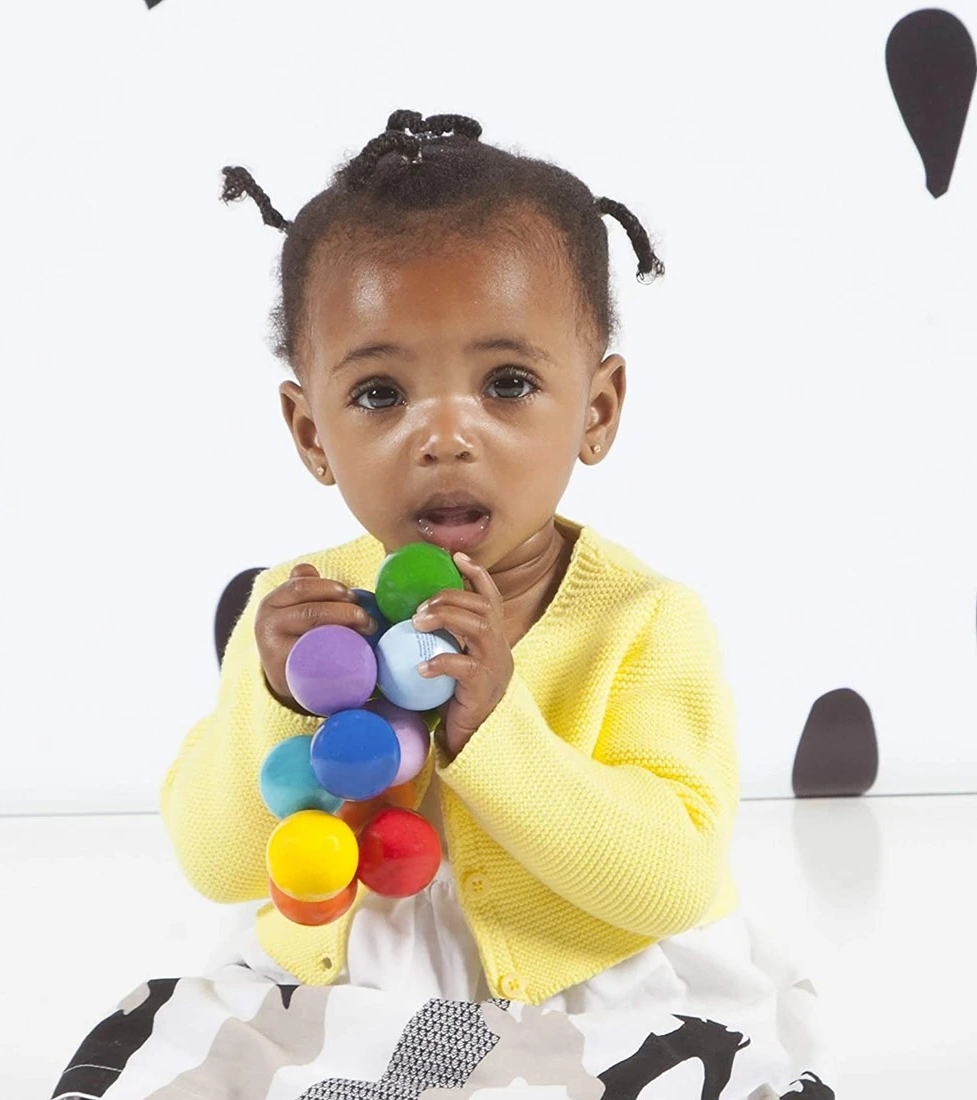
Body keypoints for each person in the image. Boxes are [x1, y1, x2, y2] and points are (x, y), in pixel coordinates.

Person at [52, 109, 834, 1100]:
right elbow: (218, 863)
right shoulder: (293, 611)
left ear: (595, 410)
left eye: (506, 382)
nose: (445, 436)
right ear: (311, 431)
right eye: (380, 393)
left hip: (588, 1000)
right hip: (333, 999)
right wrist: (278, 693)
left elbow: (671, 880)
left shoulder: (640, 620)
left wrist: (495, 727)